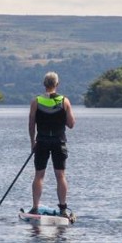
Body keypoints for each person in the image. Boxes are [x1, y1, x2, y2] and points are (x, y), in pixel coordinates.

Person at [28, 71, 76, 217]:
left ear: (44, 84)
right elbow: (71, 124)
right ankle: (62, 209)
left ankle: (35, 207)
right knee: (60, 175)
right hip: (58, 141)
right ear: (57, 84)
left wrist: (32, 142)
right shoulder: (64, 101)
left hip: (41, 141)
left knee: (39, 175)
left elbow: (31, 124)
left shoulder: (36, 101)